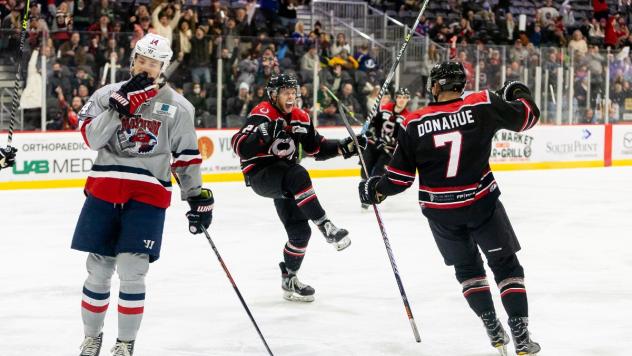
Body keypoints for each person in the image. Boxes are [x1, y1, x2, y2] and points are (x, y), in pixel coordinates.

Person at [358, 62, 541, 356]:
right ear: (461, 85)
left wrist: (374, 189)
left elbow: (400, 179)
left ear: (435, 87)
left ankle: (492, 326)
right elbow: (529, 117)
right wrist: (518, 92)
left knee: (468, 271)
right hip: (482, 204)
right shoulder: (482, 103)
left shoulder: (412, 122)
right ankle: (520, 336)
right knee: (506, 267)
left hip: (441, 212)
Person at [73, 34, 214, 356]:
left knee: (132, 270)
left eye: (153, 63)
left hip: (148, 193)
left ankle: (124, 343)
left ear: (163, 66)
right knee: (99, 268)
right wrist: (117, 109)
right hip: (105, 188)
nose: (146, 67)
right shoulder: (106, 94)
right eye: (142, 60)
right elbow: (92, 140)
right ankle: (91, 338)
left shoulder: (179, 106)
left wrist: (197, 196)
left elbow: (187, 156)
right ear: (132, 59)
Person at [231, 73, 365, 302]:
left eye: (294, 92)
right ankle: (327, 227)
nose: (291, 96)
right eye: (286, 92)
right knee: (298, 173)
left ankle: (290, 278)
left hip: (286, 178)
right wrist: (263, 134)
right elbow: (240, 147)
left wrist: (345, 147)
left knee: (300, 233)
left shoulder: (300, 117)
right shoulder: (263, 113)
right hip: (260, 174)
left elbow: (317, 148)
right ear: (273, 95)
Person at [360, 87, 411, 209]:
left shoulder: (408, 117)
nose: (401, 100)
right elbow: (374, 124)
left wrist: (391, 140)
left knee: (377, 173)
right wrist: (370, 131)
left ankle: (371, 197)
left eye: (404, 98)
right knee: (364, 171)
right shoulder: (385, 109)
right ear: (396, 98)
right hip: (374, 145)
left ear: (408, 99)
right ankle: (366, 191)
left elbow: (404, 137)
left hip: (388, 150)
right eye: (399, 97)